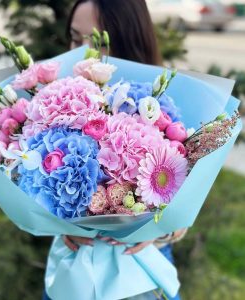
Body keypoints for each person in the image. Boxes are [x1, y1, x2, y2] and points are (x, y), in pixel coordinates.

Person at [44, 1, 187, 299]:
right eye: (74, 38)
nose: (83, 54)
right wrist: (55, 218)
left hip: (142, 275)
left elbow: (183, 202)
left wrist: (165, 230)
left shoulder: (160, 105)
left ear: (127, 39)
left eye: (97, 42)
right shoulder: (54, 108)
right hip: (74, 271)